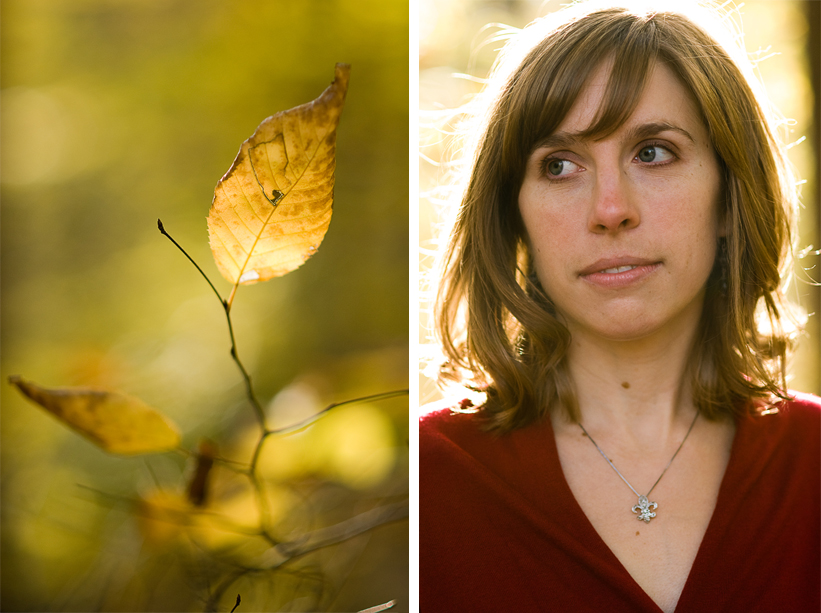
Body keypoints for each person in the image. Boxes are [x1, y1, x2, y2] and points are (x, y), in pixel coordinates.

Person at [419, 1, 820, 611]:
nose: (611, 209)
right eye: (559, 165)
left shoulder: (812, 460)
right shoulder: (430, 477)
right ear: (514, 216)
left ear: (729, 190)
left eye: (653, 152)